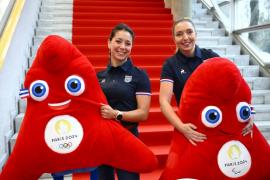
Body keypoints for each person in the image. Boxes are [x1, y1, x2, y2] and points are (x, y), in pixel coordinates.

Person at [159, 18, 253, 146]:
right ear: (174, 38)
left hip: (218, 124)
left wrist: (250, 113)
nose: (185, 37)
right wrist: (181, 127)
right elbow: (164, 101)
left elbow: (238, 86)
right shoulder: (170, 65)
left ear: (195, 34)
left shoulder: (210, 56)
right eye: (179, 34)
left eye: (189, 32)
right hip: (191, 128)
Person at [96, 23, 151, 180]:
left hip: (128, 138)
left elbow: (143, 113)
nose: (123, 47)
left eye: (128, 43)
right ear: (109, 42)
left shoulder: (139, 75)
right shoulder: (99, 77)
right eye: (118, 41)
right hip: (104, 140)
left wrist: (116, 114)